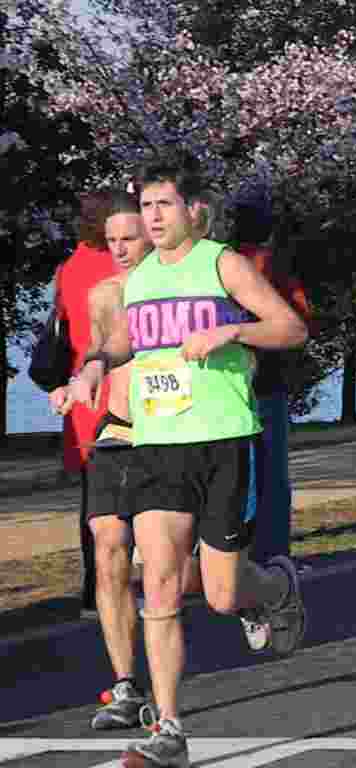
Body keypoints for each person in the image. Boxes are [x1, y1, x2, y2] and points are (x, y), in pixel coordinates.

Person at [65, 152, 309, 768]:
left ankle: (274, 586)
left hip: (223, 440)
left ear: (193, 210)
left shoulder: (221, 262)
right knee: (162, 584)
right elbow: (127, 337)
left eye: (162, 206)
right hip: (155, 445)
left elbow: (289, 327)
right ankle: (168, 728)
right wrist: (97, 362)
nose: (152, 218)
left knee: (225, 594)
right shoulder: (139, 278)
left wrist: (232, 332)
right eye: (145, 207)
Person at [49, 191, 153, 729]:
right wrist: (74, 386)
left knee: (183, 574)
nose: (120, 250)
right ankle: (126, 683)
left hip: (175, 439)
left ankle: (261, 587)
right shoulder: (104, 293)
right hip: (116, 436)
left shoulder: (188, 290)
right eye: (112, 241)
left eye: (128, 238)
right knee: (109, 551)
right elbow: (96, 355)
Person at [232, 189, 313, 566]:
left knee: (237, 473)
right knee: (272, 474)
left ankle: (237, 547)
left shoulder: (223, 264)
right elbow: (302, 317)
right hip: (268, 380)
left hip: (229, 382)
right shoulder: (272, 264)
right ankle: (274, 552)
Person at [49, 190, 119, 615]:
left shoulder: (67, 269)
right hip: (113, 384)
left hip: (81, 395)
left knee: (92, 502)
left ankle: (92, 590)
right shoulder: (116, 267)